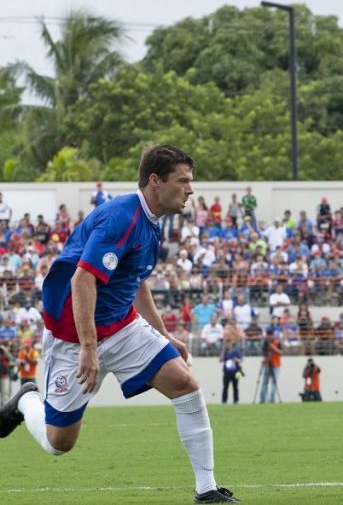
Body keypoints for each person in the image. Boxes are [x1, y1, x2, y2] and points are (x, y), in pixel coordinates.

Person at [0, 145, 237, 503]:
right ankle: (27, 401)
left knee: (185, 384)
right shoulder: (121, 218)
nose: (190, 189)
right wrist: (89, 348)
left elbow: (134, 279)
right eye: (184, 181)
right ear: (155, 181)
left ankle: (206, 490)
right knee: (58, 443)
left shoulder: (151, 222)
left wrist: (163, 335)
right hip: (75, 337)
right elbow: (82, 281)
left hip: (122, 325)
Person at [259, 331, 282, 404]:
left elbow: (280, 352)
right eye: (267, 335)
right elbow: (264, 354)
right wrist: (265, 360)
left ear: (272, 335)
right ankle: (263, 399)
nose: (268, 337)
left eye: (270, 335)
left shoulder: (277, 342)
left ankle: (272, 399)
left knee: (274, 383)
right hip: (267, 365)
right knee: (264, 382)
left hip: (275, 365)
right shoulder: (265, 344)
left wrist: (273, 347)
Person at [220, 340, 243, 405]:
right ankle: (224, 401)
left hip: (235, 372)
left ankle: (236, 400)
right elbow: (221, 360)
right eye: (226, 344)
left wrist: (236, 360)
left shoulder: (236, 351)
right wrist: (223, 351)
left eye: (228, 344)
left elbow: (241, 360)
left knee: (235, 387)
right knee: (225, 387)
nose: (227, 345)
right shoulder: (225, 352)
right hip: (226, 373)